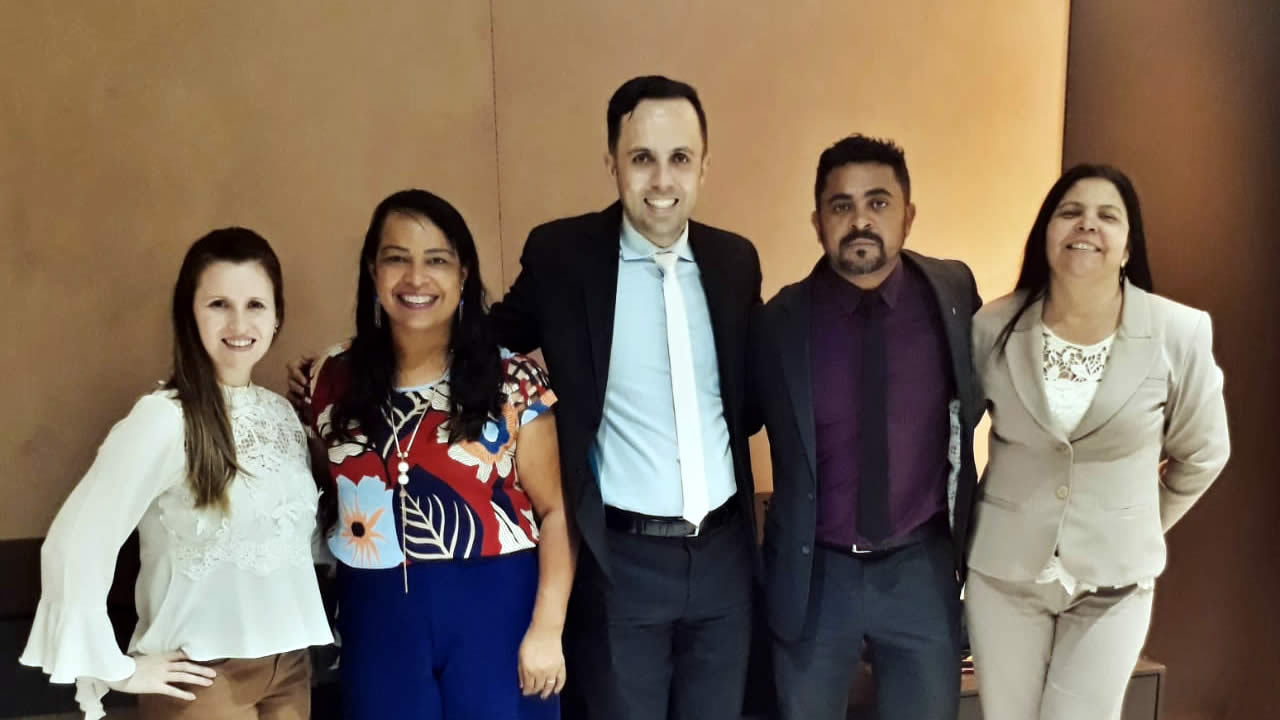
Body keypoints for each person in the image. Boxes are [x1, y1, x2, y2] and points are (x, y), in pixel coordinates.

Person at [488, 75, 763, 720]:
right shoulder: (563, 257)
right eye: (642, 158)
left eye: (680, 158)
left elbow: (751, 395)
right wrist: (360, 358)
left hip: (724, 559)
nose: (662, 180)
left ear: (704, 166)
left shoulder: (734, 262)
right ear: (611, 162)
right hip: (621, 563)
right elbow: (485, 339)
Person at [20, 228, 333, 720]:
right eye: (218, 304)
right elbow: (76, 540)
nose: (238, 323)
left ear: (277, 317)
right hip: (203, 680)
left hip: (291, 671)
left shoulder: (283, 417)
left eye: (255, 304)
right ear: (190, 313)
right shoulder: (164, 418)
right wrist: (117, 669)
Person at [965, 164, 1230, 720]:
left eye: (1107, 216)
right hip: (1005, 575)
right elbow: (955, 431)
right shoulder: (993, 325)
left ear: (1129, 246)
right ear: (1046, 233)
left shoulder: (1178, 332)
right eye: (1070, 212)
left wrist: (1138, 521)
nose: (1087, 225)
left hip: (1113, 586)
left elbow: (1203, 451)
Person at [303, 189, 573, 720]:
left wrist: (548, 627)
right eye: (396, 258)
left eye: (436, 261)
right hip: (376, 614)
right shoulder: (332, 376)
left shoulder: (513, 380)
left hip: (496, 610)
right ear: (372, 271)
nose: (416, 278)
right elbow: (323, 487)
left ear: (463, 274)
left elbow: (556, 512)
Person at [752, 135, 982, 720]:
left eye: (878, 203)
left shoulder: (952, 294)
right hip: (814, 574)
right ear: (817, 222)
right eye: (841, 205)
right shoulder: (778, 323)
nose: (860, 221)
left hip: (920, 568)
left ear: (908, 216)